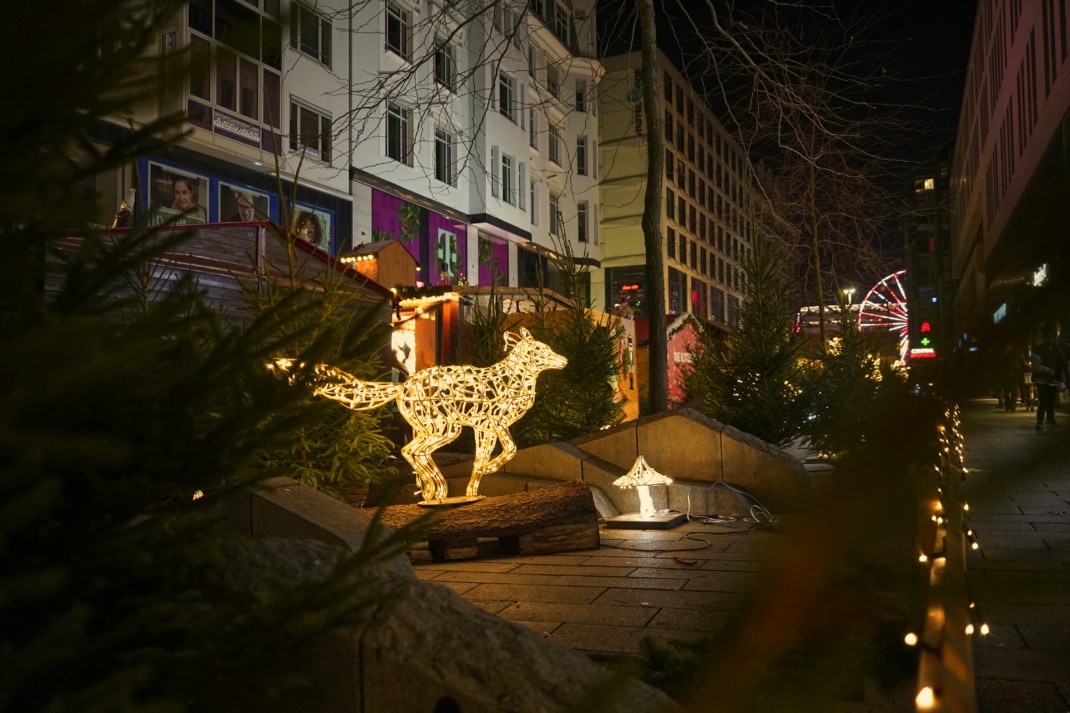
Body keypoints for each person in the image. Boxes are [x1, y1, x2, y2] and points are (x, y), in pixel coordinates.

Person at [1031, 328, 1066, 429]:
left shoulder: (1056, 350)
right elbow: (1036, 366)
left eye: (1051, 336)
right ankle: (1040, 421)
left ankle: (1050, 419)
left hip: (1053, 380)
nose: (1049, 339)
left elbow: (1060, 364)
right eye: (1047, 336)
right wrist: (1049, 370)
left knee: (1051, 400)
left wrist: (1061, 377)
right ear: (1043, 337)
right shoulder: (1038, 350)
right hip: (1041, 379)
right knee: (1043, 399)